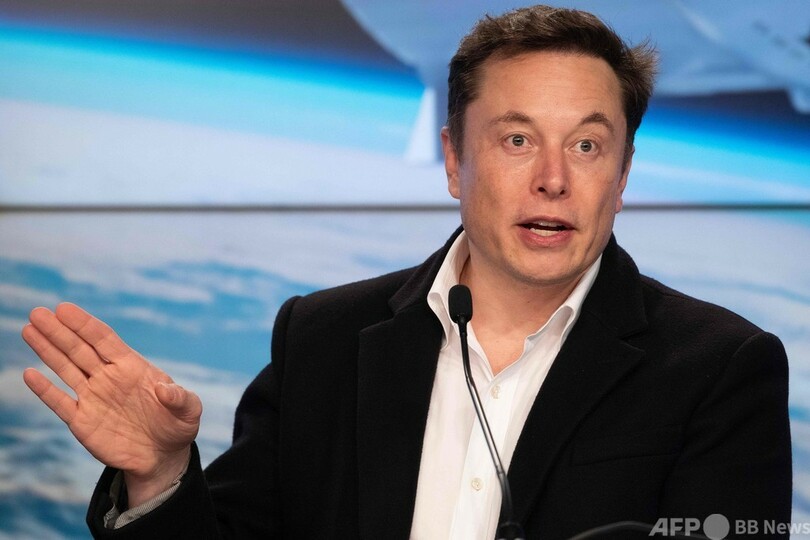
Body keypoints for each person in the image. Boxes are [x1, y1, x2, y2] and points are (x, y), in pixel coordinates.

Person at [21, 5, 791, 539]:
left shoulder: (722, 370)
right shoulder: (322, 338)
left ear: (622, 175)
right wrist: (160, 478)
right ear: (454, 160)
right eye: (517, 141)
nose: (554, 180)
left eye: (587, 146)